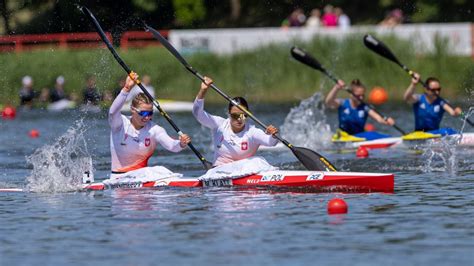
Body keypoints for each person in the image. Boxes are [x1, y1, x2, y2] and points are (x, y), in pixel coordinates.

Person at [108, 72, 191, 176]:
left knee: (161, 170)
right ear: (132, 110)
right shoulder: (119, 124)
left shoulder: (155, 129)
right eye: (143, 113)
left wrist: (181, 143)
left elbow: (172, 146)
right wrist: (126, 89)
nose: (147, 117)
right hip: (118, 179)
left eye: (150, 113)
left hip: (142, 180)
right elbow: (112, 112)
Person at [193, 76, 279, 166]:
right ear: (229, 114)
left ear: (247, 115)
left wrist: (273, 135)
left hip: (244, 171)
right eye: (235, 116)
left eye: (242, 115)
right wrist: (203, 91)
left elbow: (271, 142)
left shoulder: (252, 132)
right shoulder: (219, 125)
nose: (239, 119)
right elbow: (197, 113)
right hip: (220, 170)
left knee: (258, 161)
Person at [325, 79, 395, 137]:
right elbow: (328, 101)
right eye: (358, 96)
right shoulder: (342, 103)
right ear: (351, 94)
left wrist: (387, 121)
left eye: (363, 95)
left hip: (359, 136)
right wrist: (336, 88)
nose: (361, 98)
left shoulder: (365, 107)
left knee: (373, 133)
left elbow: (378, 118)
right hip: (343, 136)